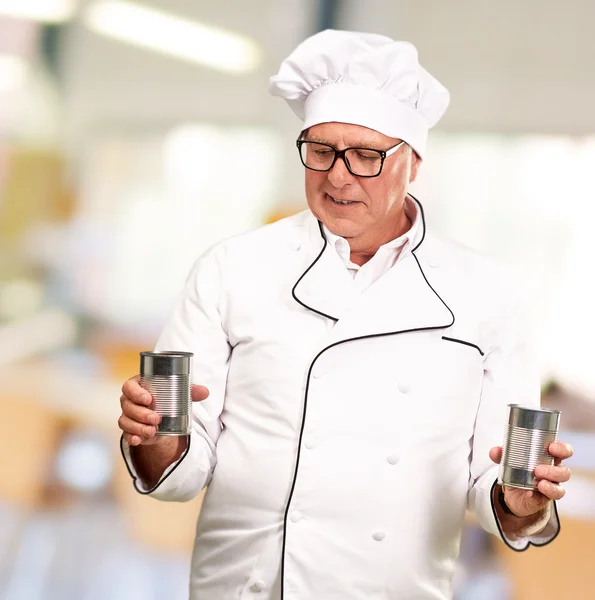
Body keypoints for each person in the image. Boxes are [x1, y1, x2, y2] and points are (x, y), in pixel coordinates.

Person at [117, 30, 573, 600]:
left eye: (365, 156)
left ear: (413, 162)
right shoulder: (231, 268)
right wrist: (151, 435)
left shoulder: (489, 294)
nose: (337, 176)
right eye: (322, 150)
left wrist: (523, 502)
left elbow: (499, 488)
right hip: (247, 585)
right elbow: (178, 473)